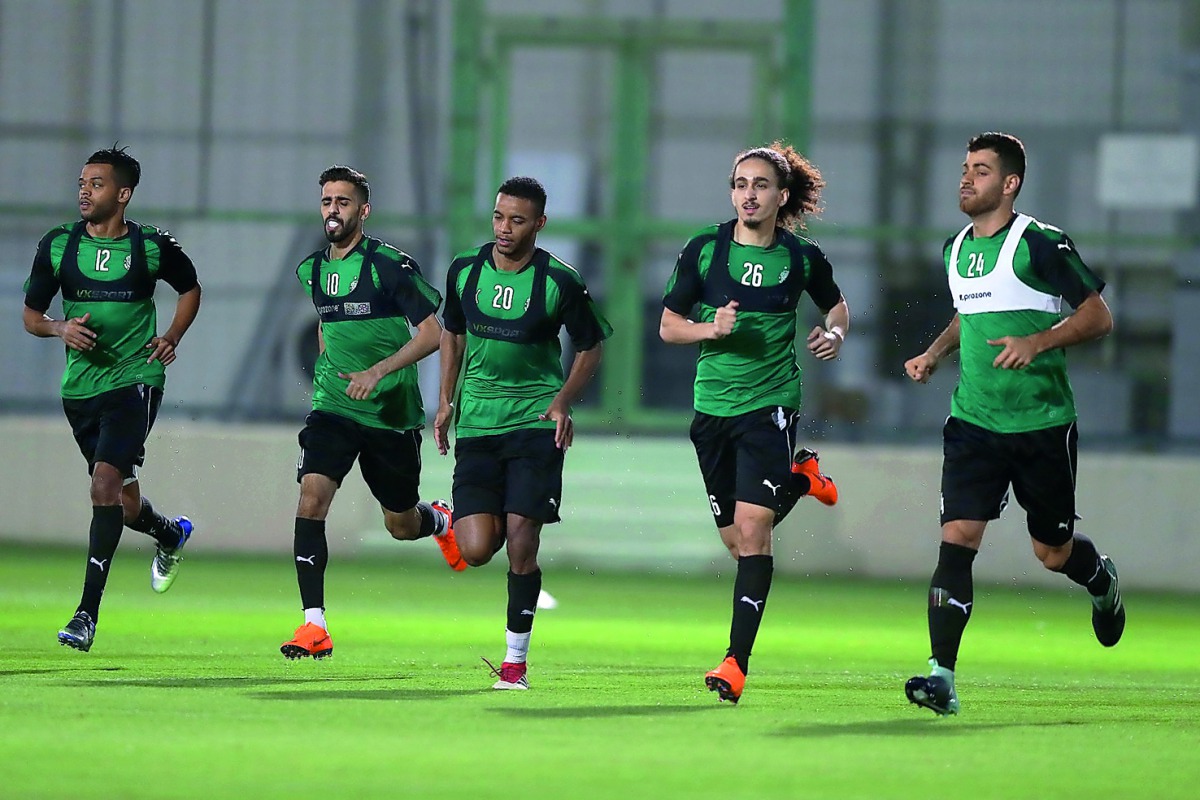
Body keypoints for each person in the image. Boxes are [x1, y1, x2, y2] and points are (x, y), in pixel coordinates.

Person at [903, 132, 1124, 716]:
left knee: (1051, 552)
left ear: (1010, 184)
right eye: (964, 168)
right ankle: (941, 677)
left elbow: (1099, 316)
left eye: (980, 171)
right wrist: (933, 354)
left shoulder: (1039, 243)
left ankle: (1099, 580)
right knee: (958, 539)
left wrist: (1038, 340)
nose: (965, 179)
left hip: (1042, 425)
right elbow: (966, 314)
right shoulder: (955, 247)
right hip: (973, 422)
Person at [660, 142, 850, 704]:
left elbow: (837, 307)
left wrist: (835, 334)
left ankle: (735, 663)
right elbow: (669, 326)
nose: (749, 193)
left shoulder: (801, 258)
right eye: (740, 183)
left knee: (753, 533)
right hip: (711, 410)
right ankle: (802, 478)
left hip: (770, 405)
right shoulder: (703, 252)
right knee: (736, 542)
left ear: (781, 196)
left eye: (760, 184)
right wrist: (709, 330)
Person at [433, 176, 612, 690]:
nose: (504, 228)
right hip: (478, 424)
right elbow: (452, 332)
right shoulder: (465, 270)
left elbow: (590, 346)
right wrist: (446, 401)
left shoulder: (559, 280)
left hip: (534, 424)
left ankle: (514, 664)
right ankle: (446, 522)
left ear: (539, 223)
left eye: (517, 220)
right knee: (474, 550)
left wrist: (562, 402)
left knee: (520, 541)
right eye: (498, 217)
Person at [22, 145, 203, 652]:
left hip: (135, 380)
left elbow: (190, 289)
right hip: (81, 390)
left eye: (96, 183)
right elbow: (32, 315)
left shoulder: (150, 246)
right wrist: (60, 328)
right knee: (121, 501)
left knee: (103, 485)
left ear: (123, 194)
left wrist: (171, 336)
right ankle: (168, 533)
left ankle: (85, 615)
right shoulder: (58, 245)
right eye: (82, 182)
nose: (84, 190)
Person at [281, 165, 463, 660]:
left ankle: (440, 521)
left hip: (391, 411)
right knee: (311, 498)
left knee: (400, 524)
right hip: (334, 407)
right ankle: (313, 626)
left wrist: (377, 372)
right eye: (326, 201)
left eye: (342, 202)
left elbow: (432, 333)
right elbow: (327, 324)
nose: (332, 210)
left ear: (363, 210)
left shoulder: (388, 266)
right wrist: (333, 370)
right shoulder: (312, 270)